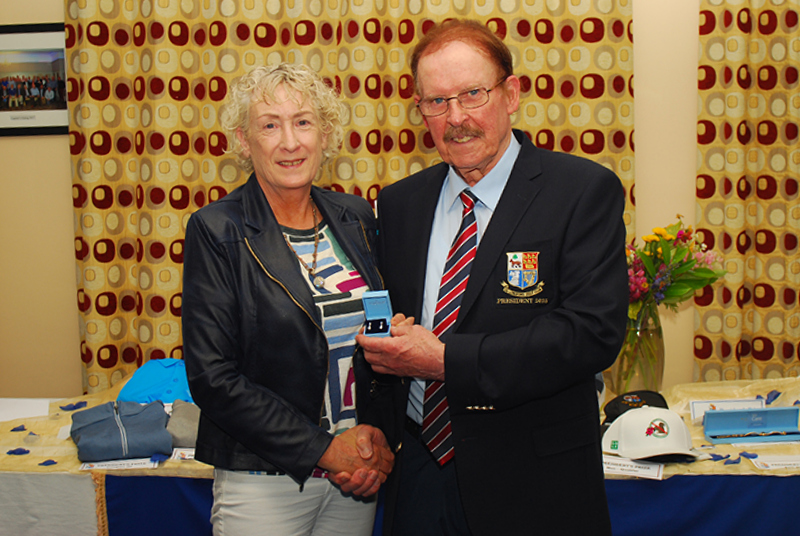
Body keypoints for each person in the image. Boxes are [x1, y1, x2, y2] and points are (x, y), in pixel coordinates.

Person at [354, 19, 629, 536]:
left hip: (534, 484)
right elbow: (390, 330)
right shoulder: (399, 204)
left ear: (512, 94)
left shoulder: (582, 191)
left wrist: (445, 361)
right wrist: (376, 423)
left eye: (472, 95)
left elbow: (590, 334)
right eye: (436, 102)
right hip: (418, 477)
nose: (455, 118)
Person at [182, 63, 394, 536]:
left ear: (325, 133)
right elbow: (212, 378)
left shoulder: (356, 217)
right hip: (264, 479)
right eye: (270, 125)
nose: (290, 142)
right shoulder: (218, 230)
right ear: (243, 140)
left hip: (352, 475)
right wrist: (322, 448)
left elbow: (381, 338)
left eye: (302, 122)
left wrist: (375, 442)